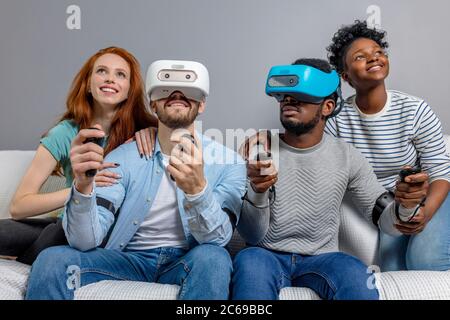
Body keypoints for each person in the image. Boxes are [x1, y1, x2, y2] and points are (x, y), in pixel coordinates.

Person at [25, 60, 246, 300]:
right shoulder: (123, 157)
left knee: (215, 258)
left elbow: (219, 239)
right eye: (166, 92)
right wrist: (83, 186)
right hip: (128, 260)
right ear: (152, 104)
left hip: (188, 259)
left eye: (188, 93)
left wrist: (198, 192)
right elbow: (85, 241)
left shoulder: (229, 163)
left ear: (202, 104)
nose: (177, 95)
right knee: (52, 259)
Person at [231, 58, 426, 300]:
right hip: (264, 254)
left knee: (357, 276)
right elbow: (252, 234)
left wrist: (405, 206)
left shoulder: (347, 157)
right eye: (284, 97)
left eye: (300, 96)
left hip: (322, 258)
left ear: (327, 107)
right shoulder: (259, 149)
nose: (289, 102)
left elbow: (385, 221)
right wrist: (258, 192)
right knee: (249, 263)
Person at [0, 47, 157, 265]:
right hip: (66, 222)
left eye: (120, 74)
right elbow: (19, 207)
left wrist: (154, 132)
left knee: (57, 235)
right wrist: (80, 188)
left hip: (101, 233)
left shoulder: (145, 133)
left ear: (130, 90)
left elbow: (183, 137)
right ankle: (26, 260)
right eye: (102, 71)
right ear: (89, 84)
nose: (110, 79)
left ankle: (22, 261)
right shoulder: (65, 133)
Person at [326, 20, 450, 271]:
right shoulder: (337, 120)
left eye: (378, 52)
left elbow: (440, 170)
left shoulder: (415, 109)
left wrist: (425, 213)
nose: (374, 58)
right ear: (346, 76)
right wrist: (268, 139)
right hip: (388, 206)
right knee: (393, 271)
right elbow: (317, 157)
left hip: (428, 195)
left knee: (425, 261)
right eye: (360, 56)